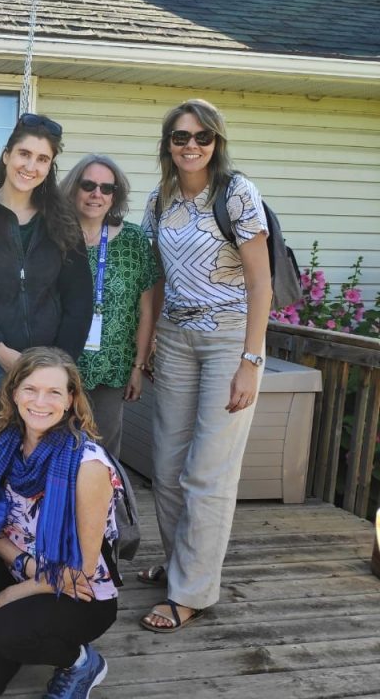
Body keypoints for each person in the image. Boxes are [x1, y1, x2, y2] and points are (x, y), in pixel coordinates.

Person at [138, 99, 271, 633]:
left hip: (227, 337)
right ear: (167, 144)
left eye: (202, 137)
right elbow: (158, 281)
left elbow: (262, 284)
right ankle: (179, 567)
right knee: (166, 469)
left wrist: (251, 360)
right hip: (174, 336)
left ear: (216, 142)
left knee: (207, 473)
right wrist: (145, 347)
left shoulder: (236, 193)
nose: (191, 146)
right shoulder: (158, 200)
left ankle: (192, 592)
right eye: (179, 137)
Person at [0, 348, 121, 699]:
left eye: (54, 392)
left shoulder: (87, 465)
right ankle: (20, 627)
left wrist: (8, 594)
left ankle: (79, 662)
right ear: (14, 392)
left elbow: (80, 570)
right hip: (18, 566)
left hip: (78, 592)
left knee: (5, 629)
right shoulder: (0, 444)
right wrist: (23, 566)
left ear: (70, 399)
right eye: (30, 389)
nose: (40, 402)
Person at [0, 114, 93, 449]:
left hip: (51, 365)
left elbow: (78, 300)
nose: (31, 166)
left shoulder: (63, 219)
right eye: (24, 154)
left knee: (43, 455)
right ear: (6, 155)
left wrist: (58, 365)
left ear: (50, 166)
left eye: (43, 159)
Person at [61, 154, 158, 458]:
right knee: (56, 450)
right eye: (88, 185)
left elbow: (146, 309)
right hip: (59, 366)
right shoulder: (54, 236)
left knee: (102, 454)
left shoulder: (134, 240)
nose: (96, 194)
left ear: (116, 195)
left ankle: (104, 507)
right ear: (74, 188)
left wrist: (138, 367)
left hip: (112, 368)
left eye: (106, 188)